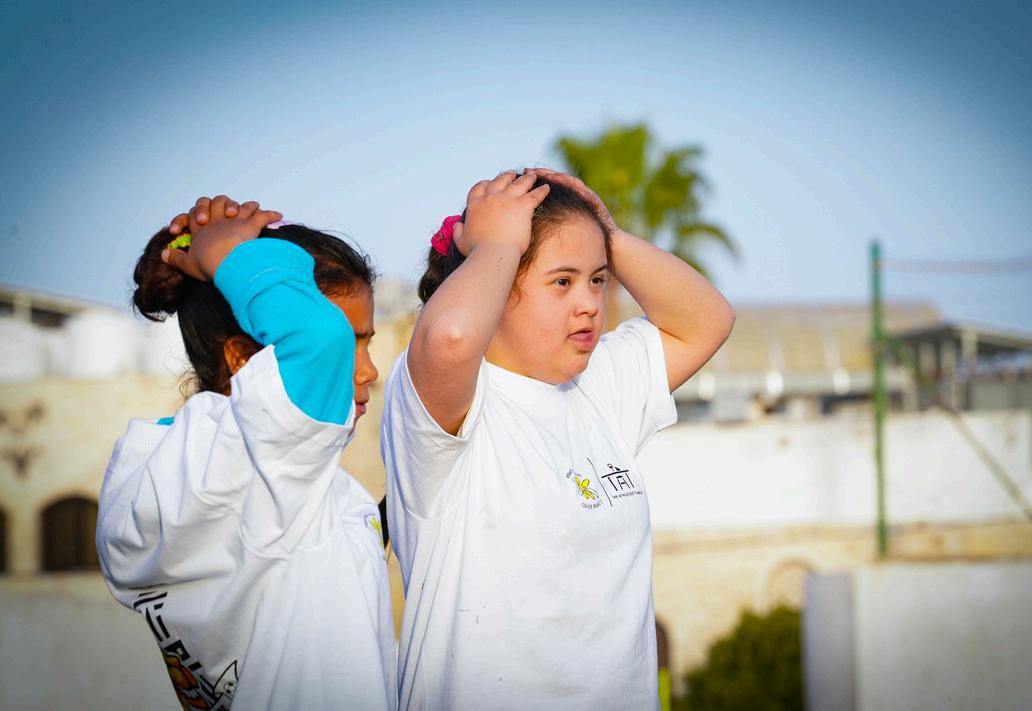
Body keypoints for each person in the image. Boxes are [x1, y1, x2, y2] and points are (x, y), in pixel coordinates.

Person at [381, 169, 735, 709]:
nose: (589, 302)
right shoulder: (447, 403)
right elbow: (451, 338)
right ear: (497, 284)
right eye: (562, 282)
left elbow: (708, 319)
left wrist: (606, 236)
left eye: (597, 280)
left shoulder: (598, 385)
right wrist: (496, 243)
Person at [96, 196, 396, 710]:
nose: (368, 370)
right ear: (241, 361)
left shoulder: (184, 476)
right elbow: (317, 338)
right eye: (352, 345)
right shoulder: (258, 466)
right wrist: (228, 256)